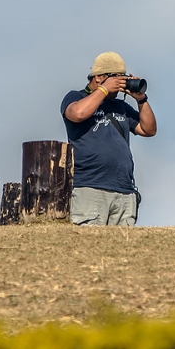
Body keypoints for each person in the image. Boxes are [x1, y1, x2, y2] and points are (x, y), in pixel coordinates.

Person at [60, 52, 157, 226]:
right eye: (117, 78)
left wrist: (141, 100)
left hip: (124, 190)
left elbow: (148, 129)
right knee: (90, 246)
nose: (121, 83)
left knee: (123, 249)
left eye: (123, 78)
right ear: (99, 78)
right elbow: (78, 113)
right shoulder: (76, 97)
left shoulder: (121, 107)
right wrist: (104, 90)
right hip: (90, 186)